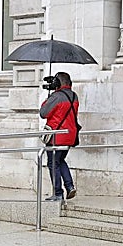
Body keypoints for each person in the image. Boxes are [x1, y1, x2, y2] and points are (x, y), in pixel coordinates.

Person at [40, 73, 79, 202]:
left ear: (58, 83)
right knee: (60, 161)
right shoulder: (74, 96)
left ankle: (58, 193)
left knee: (52, 163)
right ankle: (69, 186)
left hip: (57, 136)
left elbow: (43, 113)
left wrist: (49, 98)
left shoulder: (56, 97)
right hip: (70, 135)